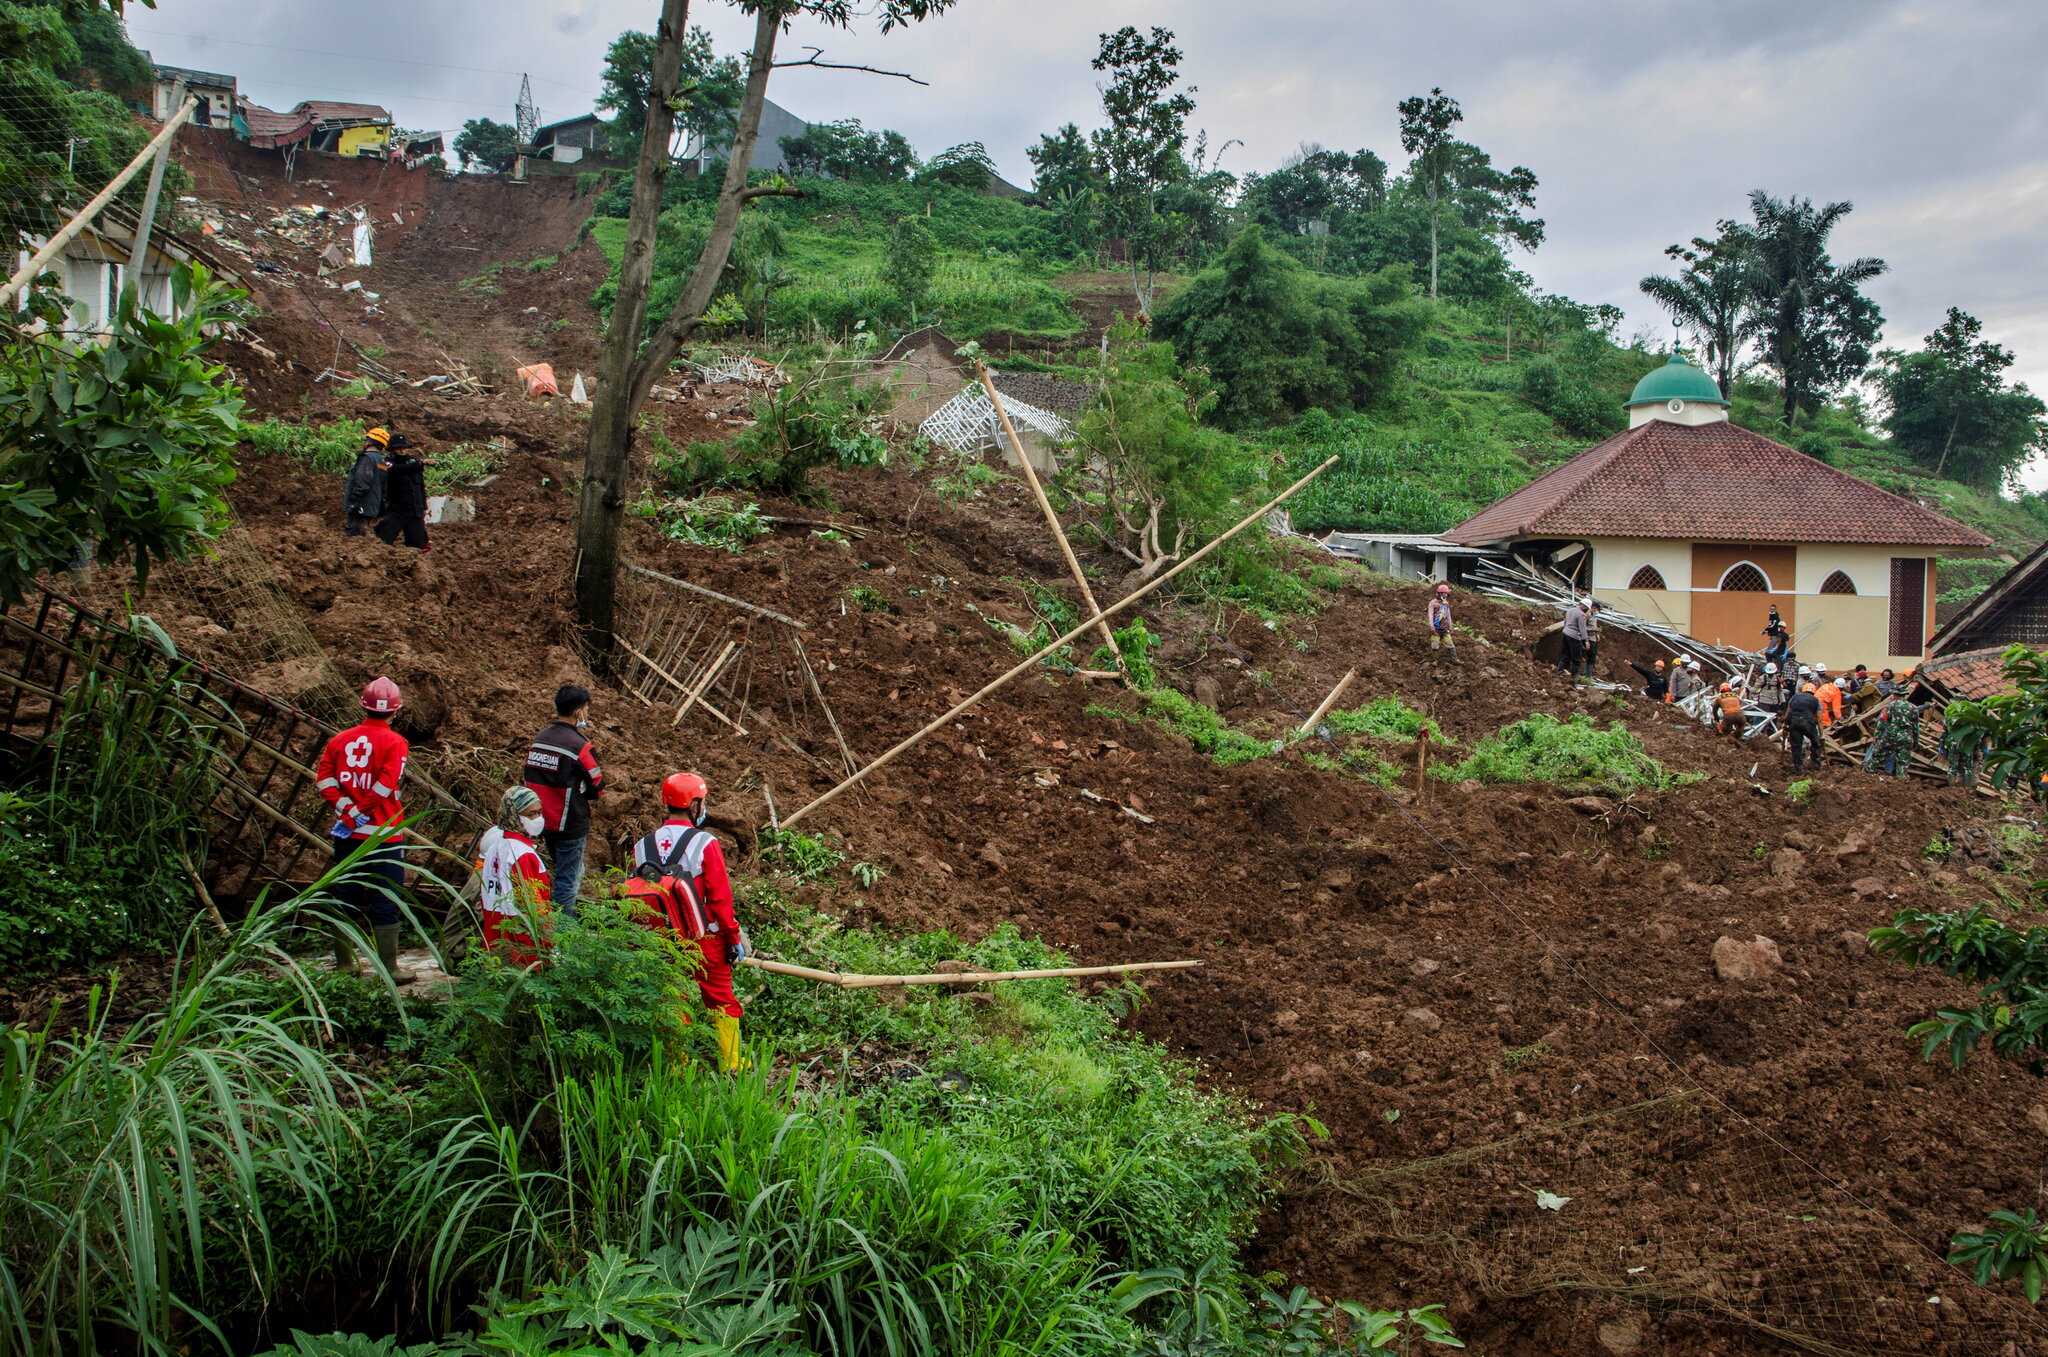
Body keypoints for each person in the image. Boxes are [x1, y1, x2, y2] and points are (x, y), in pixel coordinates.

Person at [627, 772, 750, 1072]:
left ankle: (677, 1068)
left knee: (672, 997)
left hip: (661, 937)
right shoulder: (705, 843)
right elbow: (720, 898)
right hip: (703, 937)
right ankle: (732, 1064)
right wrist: (733, 937)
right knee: (720, 996)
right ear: (694, 804)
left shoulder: (643, 845)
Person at [314, 677, 413, 982]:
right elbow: (387, 784)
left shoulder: (339, 740)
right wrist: (364, 810)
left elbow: (324, 780)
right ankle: (390, 968)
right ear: (396, 711)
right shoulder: (396, 742)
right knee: (386, 898)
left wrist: (347, 809)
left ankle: (345, 966)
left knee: (346, 895)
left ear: (363, 706)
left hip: (349, 835)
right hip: (383, 836)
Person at [523, 684, 606, 916]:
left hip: (542, 821)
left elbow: (529, 775)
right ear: (579, 712)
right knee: (568, 880)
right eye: (586, 709)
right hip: (570, 824)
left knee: (563, 872)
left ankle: (553, 923)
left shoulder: (540, 739)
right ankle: (561, 935)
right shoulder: (580, 746)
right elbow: (597, 786)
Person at [476, 786, 552, 966]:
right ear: (514, 816)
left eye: (539, 812)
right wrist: (547, 943)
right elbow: (535, 906)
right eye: (531, 814)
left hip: (495, 939)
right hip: (522, 946)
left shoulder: (495, 847)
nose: (538, 819)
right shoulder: (522, 855)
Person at [374, 433, 431, 550]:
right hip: (396, 510)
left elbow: (420, 487)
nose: (402, 451)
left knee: (417, 544)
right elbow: (398, 470)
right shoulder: (387, 462)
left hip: (415, 511)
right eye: (398, 449)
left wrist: (423, 506)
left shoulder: (413, 462)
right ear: (393, 450)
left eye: (404, 448)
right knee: (382, 541)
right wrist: (421, 463)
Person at [343, 427, 392, 537]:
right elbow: (384, 488)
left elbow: (362, 482)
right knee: (362, 537)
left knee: (354, 537)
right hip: (372, 507)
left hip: (360, 506)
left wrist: (354, 503)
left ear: (370, 441)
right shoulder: (382, 461)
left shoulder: (367, 458)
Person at [1864, 698, 1921, 779]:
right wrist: (1915, 741)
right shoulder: (1913, 707)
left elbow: (1882, 722)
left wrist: (1877, 736)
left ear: (1894, 695)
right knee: (1903, 762)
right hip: (1906, 738)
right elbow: (1916, 727)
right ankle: (1902, 781)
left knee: (1876, 755)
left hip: (1891, 736)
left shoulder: (1890, 706)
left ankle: (1865, 774)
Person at [1785, 682, 1824, 774]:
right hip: (1808, 722)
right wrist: (1822, 735)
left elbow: (1788, 713)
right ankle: (1816, 762)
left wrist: (1785, 724)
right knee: (1816, 742)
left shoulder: (1794, 697)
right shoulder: (1816, 700)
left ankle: (1799, 769)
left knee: (1796, 746)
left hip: (1793, 721)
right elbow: (1819, 719)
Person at [1560, 600, 1589, 677]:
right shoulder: (1581, 615)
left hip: (1565, 633)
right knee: (1576, 657)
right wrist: (1585, 640)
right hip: (1574, 636)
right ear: (1584, 606)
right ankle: (1575, 674)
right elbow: (1582, 629)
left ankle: (1559, 671)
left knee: (1566, 654)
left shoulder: (1570, 610)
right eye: (1586, 608)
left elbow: (1565, 622)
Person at [1427, 583, 1457, 658]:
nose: (1446, 595)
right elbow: (1430, 615)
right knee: (1435, 645)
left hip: (1444, 628)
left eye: (1447, 594)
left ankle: (1454, 659)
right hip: (1436, 629)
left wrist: (1450, 625)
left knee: (1450, 644)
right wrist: (1432, 627)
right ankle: (1435, 661)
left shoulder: (1446, 603)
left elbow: (1448, 615)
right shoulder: (1432, 603)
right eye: (1445, 594)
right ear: (1440, 593)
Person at [1579, 601, 1603, 678]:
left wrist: (1597, 634)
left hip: (1594, 638)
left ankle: (1588, 674)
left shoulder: (1594, 616)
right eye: (1597, 609)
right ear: (1593, 608)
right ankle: (1587, 676)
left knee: (1593, 657)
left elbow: (1594, 626)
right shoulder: (1587, 616)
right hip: (1589, 638)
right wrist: (1593, 629)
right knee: (1590, 657)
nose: (1597, 612)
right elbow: (1583, 628)